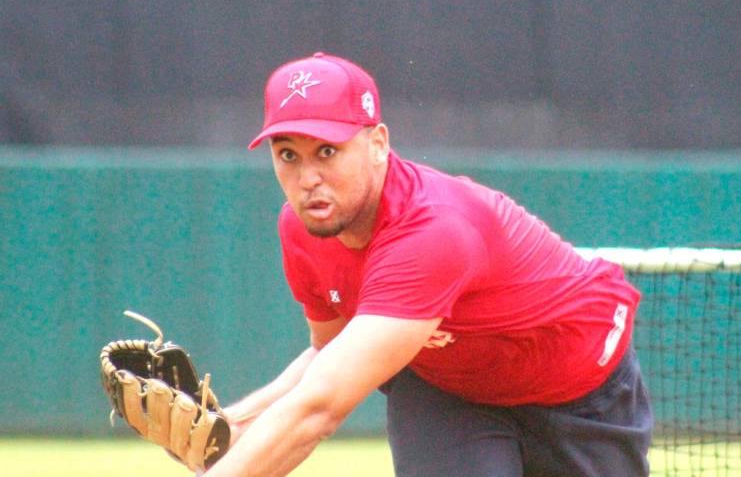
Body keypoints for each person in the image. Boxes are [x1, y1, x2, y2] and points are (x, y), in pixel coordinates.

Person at [203, 52, 652, 477]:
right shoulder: (304, 229)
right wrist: (235, 424)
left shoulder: (432, 231)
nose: (307, 178)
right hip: (450, 391)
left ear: (378, 143)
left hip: (576, 386)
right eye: (288, 155)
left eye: (327, 151)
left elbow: (321, 407)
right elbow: (330, 352)